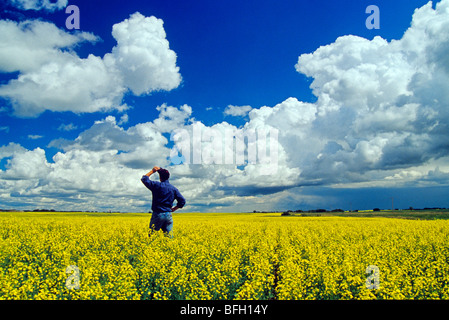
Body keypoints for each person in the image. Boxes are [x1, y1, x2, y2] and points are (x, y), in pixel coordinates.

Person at [141, 166, 186, 237]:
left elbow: (144, 179)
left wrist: (152, 171)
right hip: (168, 215)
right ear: (168, 177)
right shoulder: (173, 188)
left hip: (158, 214)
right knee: (169, 238)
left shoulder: (156, 185)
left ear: (160, 177)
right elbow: (182, 201)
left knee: (152, 236)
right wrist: (174, 209)